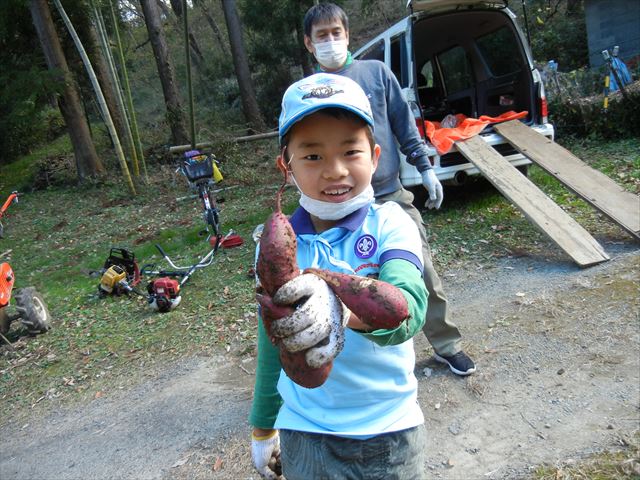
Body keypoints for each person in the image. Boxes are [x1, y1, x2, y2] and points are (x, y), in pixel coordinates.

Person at [250, 73, 429, 479]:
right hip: (306, 433)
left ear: (376, 156)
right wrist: (263, 426)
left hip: (391, 428)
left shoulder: (391, 224)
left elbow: (409, 310)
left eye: (350, 152)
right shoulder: (276, 243)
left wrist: (339, 308)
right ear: (286, 165)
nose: (334, 171)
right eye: (312, 156)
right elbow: (272, 339)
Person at [301, 2, 476, 376]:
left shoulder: (376, 73)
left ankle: (446, 344)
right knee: (336, 283)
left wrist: (425, 168)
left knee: (422, 274)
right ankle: (354, 364)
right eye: (322, 36)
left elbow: (402, 123)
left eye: (336, 33)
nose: (330, 41)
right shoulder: (308, 92)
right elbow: (300, 150)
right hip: (334, 206)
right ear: (308, 44)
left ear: (347, 35)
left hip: (388, 196)